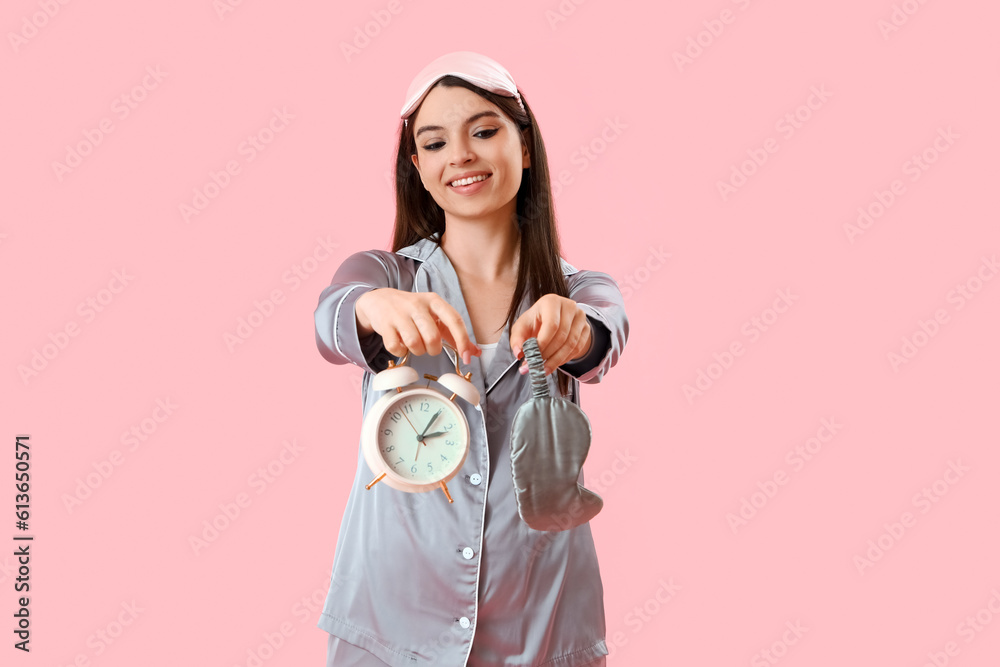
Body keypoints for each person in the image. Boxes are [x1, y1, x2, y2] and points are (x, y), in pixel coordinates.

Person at [313, 51, 628, 666]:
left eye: (484, 131)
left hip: (542, 624)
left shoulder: (580, 291)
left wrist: (574, 328)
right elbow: (332, 316)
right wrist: (372, 308)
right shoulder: (386, 275)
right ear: (418, 168)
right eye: (434, 144)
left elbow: (603, 337)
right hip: (390, 624)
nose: (459, 155)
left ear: (525, 145)